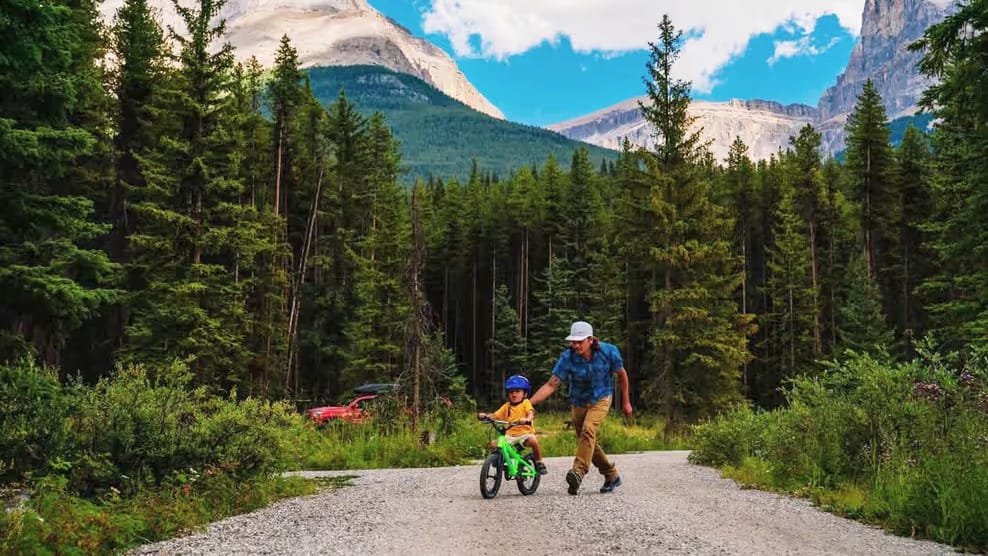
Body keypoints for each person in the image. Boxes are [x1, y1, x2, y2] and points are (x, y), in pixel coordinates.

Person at [529, 321, 633, 495]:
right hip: (578, 401)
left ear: (590, 339)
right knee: (587, 439)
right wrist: (529, 403)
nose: (575, 345)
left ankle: (578, 472)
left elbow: (622, 375)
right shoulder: (567, 357)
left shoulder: (609, 352)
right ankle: (611, 475)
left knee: (588, 429)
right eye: (573, 341)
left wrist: (626, 402)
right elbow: (551, 384)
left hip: (601, 397)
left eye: (579, 341)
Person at [477, 374, 548, 475]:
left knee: (533, 440)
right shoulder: (507, 406)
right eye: (511, 392)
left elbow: (530, 412)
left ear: (525, 394)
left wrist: (527, 419)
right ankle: (500, 461)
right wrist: (486, 416)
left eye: (518, 391)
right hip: (510, 434)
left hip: (524, 433)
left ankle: (539, 462)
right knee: (493, 444)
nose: (514, 394)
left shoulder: (526, 403)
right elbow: (496, 415)